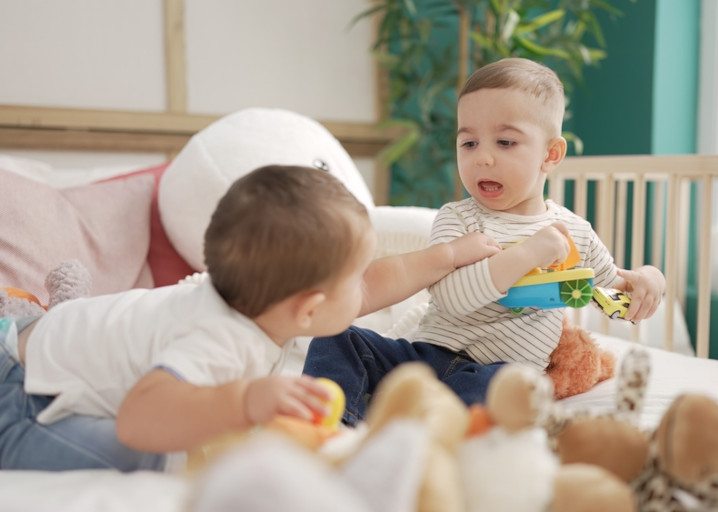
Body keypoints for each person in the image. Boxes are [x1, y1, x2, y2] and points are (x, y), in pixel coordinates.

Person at [0, 164, 500, 471]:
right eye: (353, 279)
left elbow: (371, 284)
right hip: (22, 399)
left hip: (37, 342)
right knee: (160, 457)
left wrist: (447, 256)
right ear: (309, 309)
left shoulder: (253, 301)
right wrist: (245, 401)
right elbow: (137, 421)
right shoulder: (220, 338)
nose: (363, 287)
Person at [303, 57, 667, 426]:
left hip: (496, 373)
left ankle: (421, 431)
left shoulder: (575, 232)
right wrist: (527, 254)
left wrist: (650, 280)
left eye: (506, 142)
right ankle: (336, 423)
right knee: (336, 337)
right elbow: (452, 299)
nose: (483, 158)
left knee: (507, 390)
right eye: (469, 143)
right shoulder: (458, 219)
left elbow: (615, 289)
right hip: (425, 357)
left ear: (550, 154)